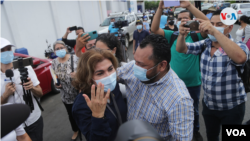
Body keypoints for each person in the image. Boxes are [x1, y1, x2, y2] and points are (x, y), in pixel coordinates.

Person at [176, 10, 249, 141]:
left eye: (219, 24)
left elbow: (240, 58)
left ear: (230, 27)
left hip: (233, 107)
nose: (214, 27)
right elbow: (181, 49)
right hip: (209, 106)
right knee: (211, 136)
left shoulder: (238, 46)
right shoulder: (205, 44)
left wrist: (214, 31)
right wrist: (181, 35)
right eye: (212, 24)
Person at [117, 34, 194, 140]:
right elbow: (112, 76)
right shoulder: (133, 66)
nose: (135, 68)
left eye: (142, 65)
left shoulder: (179, 99)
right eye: (135, 61)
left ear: (162, 65)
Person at [151, 1, 209, 140]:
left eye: (186, 18)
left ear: (192, 21)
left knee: (193, 110)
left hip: (193, 83)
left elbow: (208, 23)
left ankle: (194, 131)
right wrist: (160, 8)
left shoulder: (197, 36)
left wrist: (189, 6)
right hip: (173, 84)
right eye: (180, 18)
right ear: (176, 22)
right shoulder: (172, 35)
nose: (183, 20)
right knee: (171, 110)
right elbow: (154, 29)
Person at [72, 48, 127, 141]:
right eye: (100, 73)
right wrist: (98, 116)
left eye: (110, 69)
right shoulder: (81, 105)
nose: (108, 76)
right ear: (89, 78)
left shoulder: (114, 88)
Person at [0, 37, 44, 141]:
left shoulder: (25, 68)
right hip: (11, 127)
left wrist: (32, 87)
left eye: (8, 49)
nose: (6, 52)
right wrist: (5, 95)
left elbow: (40, 93)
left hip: (33, 120)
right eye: (2, 50)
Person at [51, 41, 81, 141]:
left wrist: (77, 76)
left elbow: (83, 72)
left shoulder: (75, 58)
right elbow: (54, 76)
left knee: (83, 112)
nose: (60, 50)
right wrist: (56, 84)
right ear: (54, 51)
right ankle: (76, 130)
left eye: (61, 47)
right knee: (71, 114)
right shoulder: (54, 62)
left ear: (66, 48)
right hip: (65, 95)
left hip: (78, 92)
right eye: (57, 49)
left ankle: (86, 128)